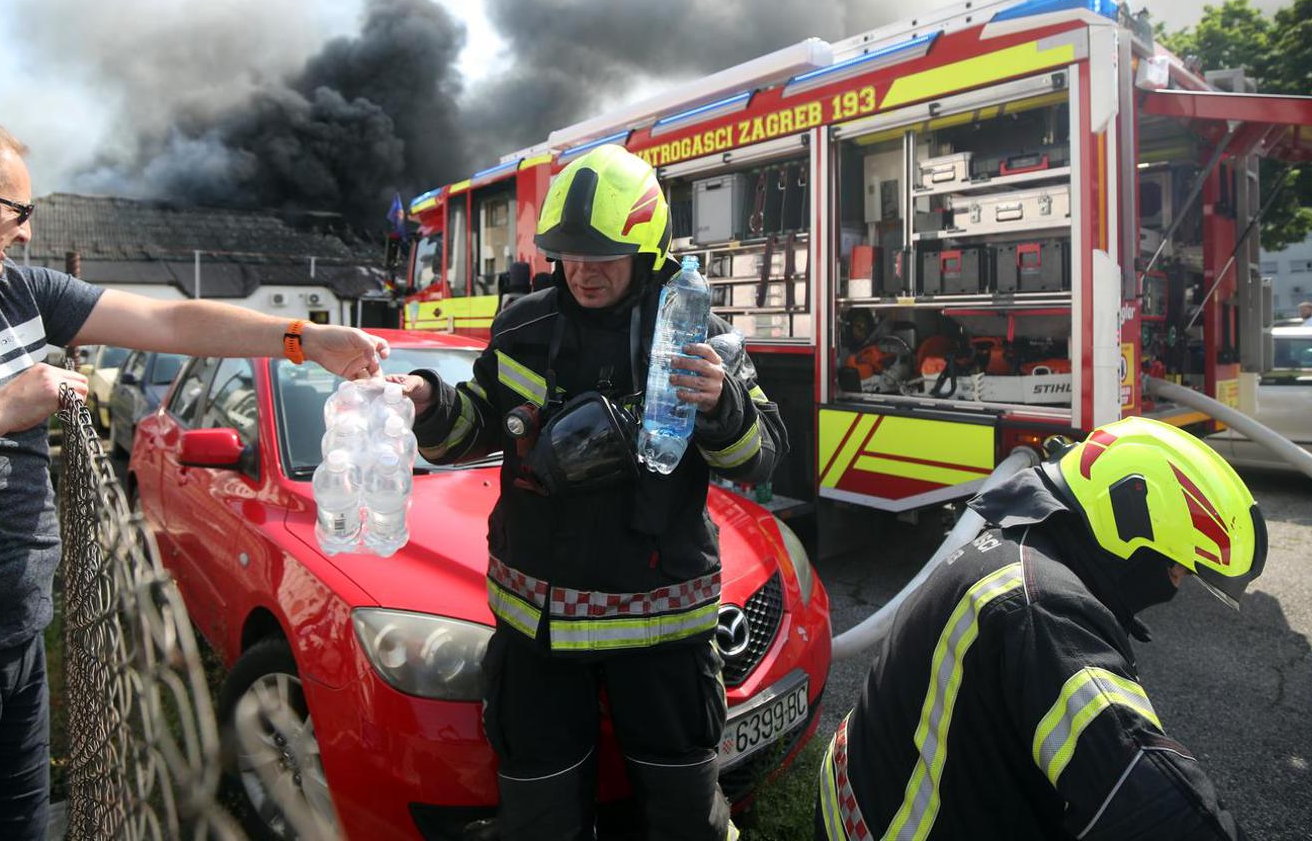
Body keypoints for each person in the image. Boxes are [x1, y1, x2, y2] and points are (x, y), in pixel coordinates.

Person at [0, 108, 389, 841]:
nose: (26, 231)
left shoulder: (13, 292)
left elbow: (170, 325)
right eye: (18, 211)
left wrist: (305, 339)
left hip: (19, 647)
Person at [392, 144, 786, 841]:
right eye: (569, 254)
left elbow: (761, 459)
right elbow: (474, 426)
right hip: (537, 631)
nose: (582, 270)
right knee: (541, 817)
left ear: (650, 249)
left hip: (663, 631)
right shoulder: (524, 328)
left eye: (603, 255)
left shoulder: (696, 335)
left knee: (682, 817)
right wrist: (429, 402)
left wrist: (722, 406)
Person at [816, 416, 1266, 841]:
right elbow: (1144, 789)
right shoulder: (1042, 606)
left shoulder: (1021, 549)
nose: (1176, 583)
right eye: (1176, 569)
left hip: (864, 801)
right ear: (1128, 528)